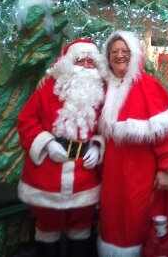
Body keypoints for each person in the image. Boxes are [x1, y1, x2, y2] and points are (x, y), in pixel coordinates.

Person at [97, 30, 168, 256]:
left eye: (124, 51)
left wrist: (166, 168)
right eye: (114, 51)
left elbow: (167, 134)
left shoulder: (149, 85)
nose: (119, 55)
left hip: (143, 173)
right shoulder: (103, 87)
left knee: (140, 221)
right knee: (113, 219)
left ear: (134, 54)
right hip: (112, 174)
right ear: (107, 56)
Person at [17, 38, 106, 257]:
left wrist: (97, 146)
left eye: (91, 61)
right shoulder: (48, 88)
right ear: (67, 63)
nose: (86, 66)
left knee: (81, 229)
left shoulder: (101, 93)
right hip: (47, 175)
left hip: (84, 175)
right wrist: (46, 143)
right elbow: (26, 121)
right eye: (80, 60)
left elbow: (107, 128)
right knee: (48, 228)